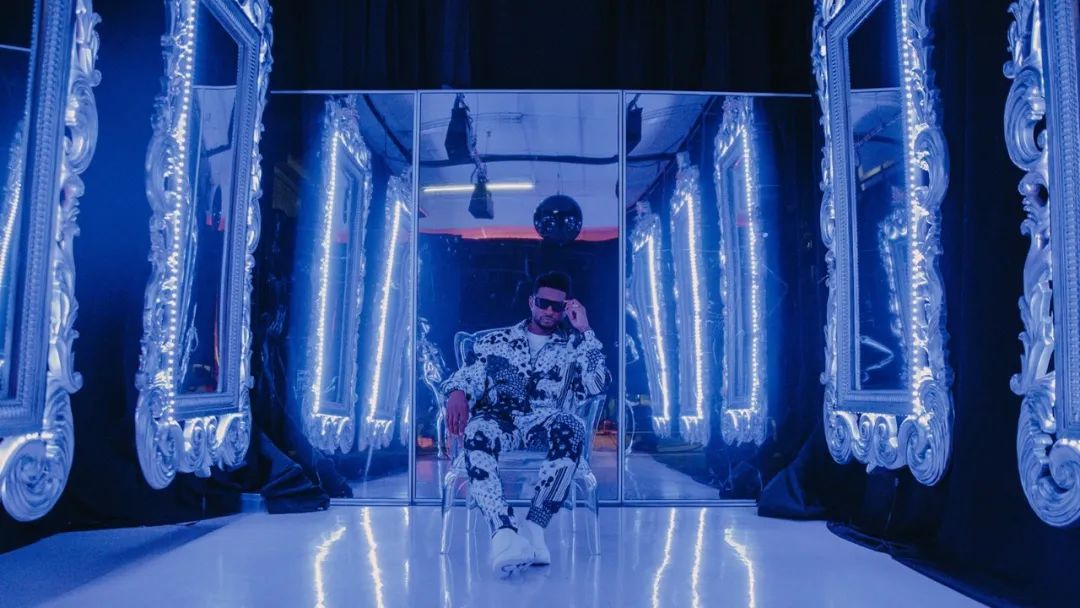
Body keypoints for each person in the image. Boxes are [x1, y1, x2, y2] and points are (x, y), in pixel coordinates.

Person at [442, 271, 610, 577]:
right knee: (477, 430)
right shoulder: (495, 341)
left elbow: (598, 383)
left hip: (545, 421)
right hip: (500, 419)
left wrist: (585, 330)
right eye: (544, 303)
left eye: (557, 307)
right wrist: (456, 391)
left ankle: (534, 527)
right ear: (532, 302)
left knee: (572, 426)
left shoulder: (574, 347)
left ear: (566, 309)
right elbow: (468, 375)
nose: (549, 311)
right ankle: (503, 531)